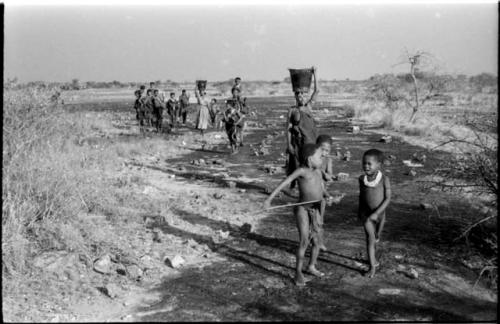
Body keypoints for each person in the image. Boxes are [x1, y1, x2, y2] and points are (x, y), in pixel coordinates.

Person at [264, 143, 333, 286]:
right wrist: (269, 200)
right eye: (320, 156)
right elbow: (284, 182)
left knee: (317, 241)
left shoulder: (318, 172)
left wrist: (329, 197)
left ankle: (312, 266)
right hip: (302, 209)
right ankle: (298, 273)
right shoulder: (302, 171)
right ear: (309, 159)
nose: (323, 158)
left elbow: (321, 189)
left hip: (316, 209)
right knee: (304, 241)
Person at [358, 149, 391, 278]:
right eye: (364, 163)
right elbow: (361, 196)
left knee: (376, 238)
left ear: (379, 165)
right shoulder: (362, 179)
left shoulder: (384, 179)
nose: (366, 166)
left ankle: (373, 259)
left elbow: (387, 198)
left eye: (369, 164)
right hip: (366, 215)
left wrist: (377, 213)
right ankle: (372, 266)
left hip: (380, 216)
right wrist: (360, 212)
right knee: (370, 240)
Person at [286, 66, 319, 192]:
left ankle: (311, 187)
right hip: (298, 143)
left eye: (303, 94)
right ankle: (299, 188)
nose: (300, 96)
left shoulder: (309, 107)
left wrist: (315, 74)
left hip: (311, 141)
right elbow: (288, 129)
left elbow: (317, 91)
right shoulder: (292, 110)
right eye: (297, 93)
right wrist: (288, 144)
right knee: (297, 165)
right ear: (295, 95)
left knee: (311, 165)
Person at [315, 134, 335, 251]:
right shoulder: (312, 158)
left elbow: (330, 175)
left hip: (322, 194)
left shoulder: (328, 160)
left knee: (320, 220)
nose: (325, 152)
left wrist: (326, 175)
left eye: (327, 150)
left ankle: (320, 242)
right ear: (316, 147)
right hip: (311, 192)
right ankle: (311, 240)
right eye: (322, 149)